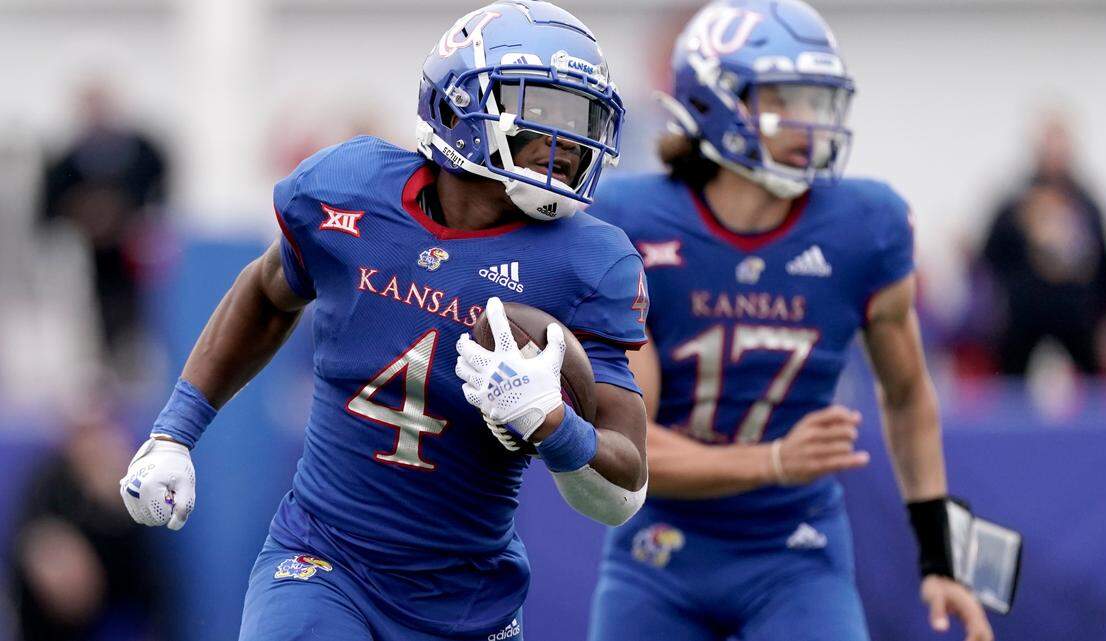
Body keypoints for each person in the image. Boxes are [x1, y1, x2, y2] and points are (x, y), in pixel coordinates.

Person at [117, 3, 649, 640]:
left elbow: (623, 493)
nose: (567, 141)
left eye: (580, 116)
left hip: (467, 598)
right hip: (323, 558)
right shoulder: (352, 188)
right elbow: (265, 293)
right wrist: (175, 431)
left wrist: (553, 423)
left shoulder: (590, 261)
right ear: (460, 106)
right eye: (542, 110)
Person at [586, 2, 992, 641]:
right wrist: (773, 460)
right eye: (787, 98)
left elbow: (909, 391)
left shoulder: (866, 225)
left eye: (819, 99)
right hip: (659, 554)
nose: (810, 122)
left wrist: (940, 556)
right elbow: (632, 452)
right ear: (717, 101)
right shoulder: (632, 221)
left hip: (797, 552)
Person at [979, 111, 1106, 375]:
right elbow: (989, 256)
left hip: (1077, 315)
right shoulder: (1014, 202)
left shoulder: (1087, 204)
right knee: (1009, 380)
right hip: (1024, 314)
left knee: (1096, 380)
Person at [39, 81, 167, 363]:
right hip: (84, 263)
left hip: (132, 260)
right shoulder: (66, 163)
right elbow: (47, 214)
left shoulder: (143, 154)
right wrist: (82, 215)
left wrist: (126, 219)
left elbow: (161, 197)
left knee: (135, 325)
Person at [10, 406, 161, 641]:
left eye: (101, 435)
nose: (93, 447)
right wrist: (47, 551)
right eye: (85, 434)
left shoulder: (133, 489)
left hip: (115, 618)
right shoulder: (47, 484)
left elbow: (150, 584)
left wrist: (115, 510)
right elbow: (30, 541)